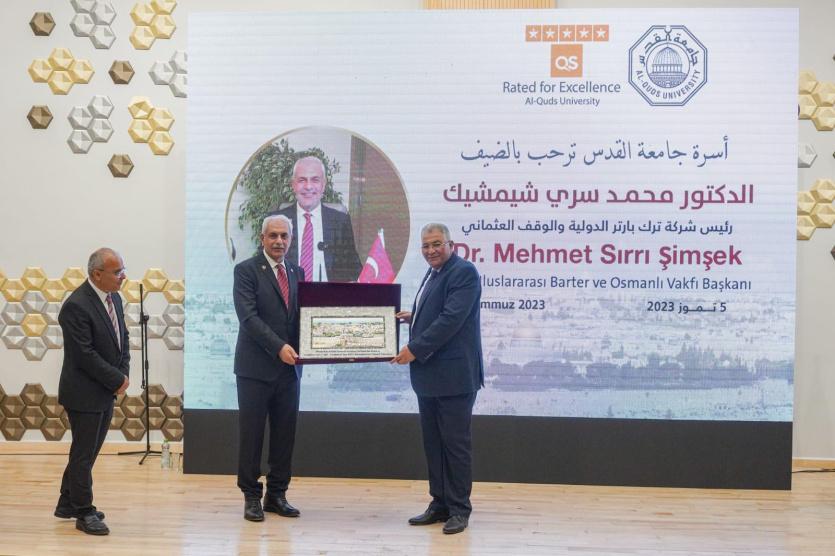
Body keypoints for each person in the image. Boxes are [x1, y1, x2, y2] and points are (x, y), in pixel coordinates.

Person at [391, 223, 484, 535]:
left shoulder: (464, 272)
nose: (431, 250)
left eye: (436, 244)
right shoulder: (434, 272)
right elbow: (437, 311)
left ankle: (459, 509)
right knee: (434, 444)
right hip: (430, 376)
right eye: (426, 245)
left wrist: (414, 349)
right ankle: (440, 503)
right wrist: (413, 317)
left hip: (454, 378)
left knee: (455, 445)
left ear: (450, 244)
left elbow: (450, 319)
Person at [233, 214, 305, 522]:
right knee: (252, 435)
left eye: (284, 236)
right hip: (255, 370)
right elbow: (248, 318)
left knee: (285, 435)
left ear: (291, 239)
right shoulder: (246, 270)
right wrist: (278, 347)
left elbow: (304, 317)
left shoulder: (297, 271)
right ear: (262, 238)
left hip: (290, 371)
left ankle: (277, 494)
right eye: (273, 235)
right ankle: (251, 496)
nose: (279, 241)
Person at [56, 248, 130, 536]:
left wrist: (123, 374)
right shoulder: (75, 306)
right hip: (83, 393)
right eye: (117, 272)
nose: (123, 276)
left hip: (105, 390)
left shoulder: (114, 298)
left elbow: (122, 338)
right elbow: (84, 355)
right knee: (83, 455)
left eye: (123, 269)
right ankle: (84, 511)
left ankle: (67, 502)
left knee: (87, 452)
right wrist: (116, 379)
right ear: (97, 274)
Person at [274, 155, 362, 282]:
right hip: (288, 293)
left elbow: (353, 269)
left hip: (329, 293)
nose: (308, 186)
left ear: (323, 185)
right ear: (293, 185)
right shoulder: (275, 221)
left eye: (315, 180)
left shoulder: (340, 222)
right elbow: (263, 268)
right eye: (302, 180)